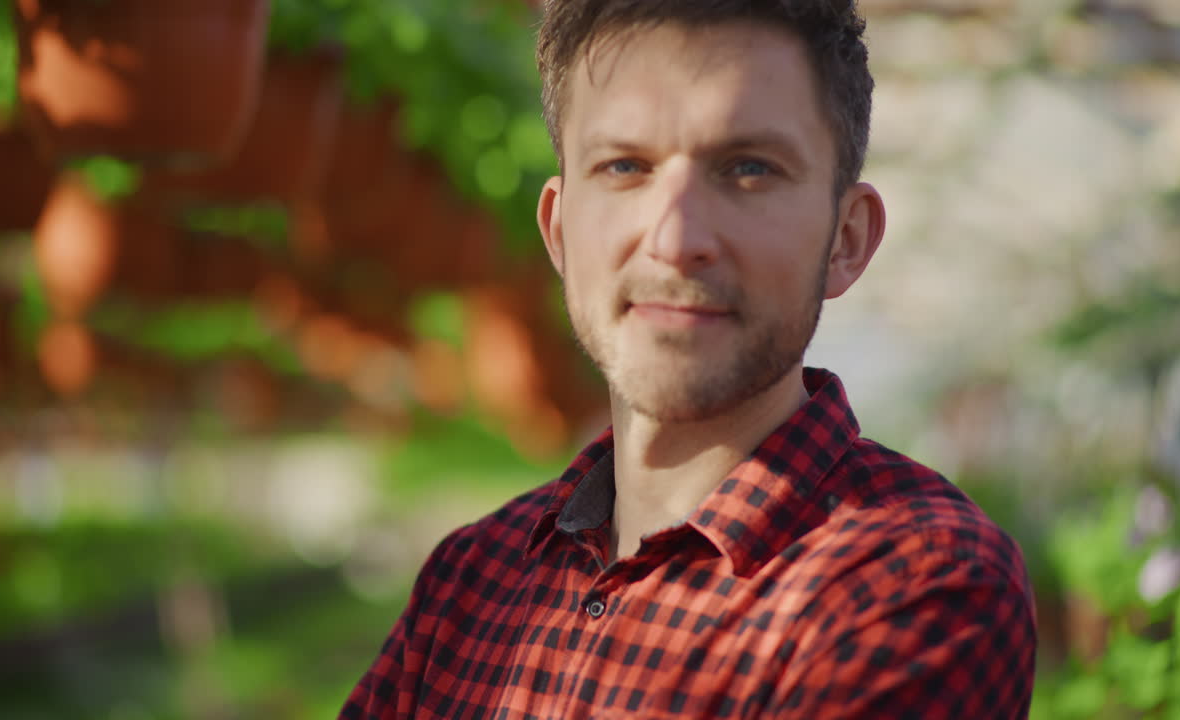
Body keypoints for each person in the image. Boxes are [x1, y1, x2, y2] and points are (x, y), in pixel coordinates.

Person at [339, 1, 1036, 718]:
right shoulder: (468, 581)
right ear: (559, 231)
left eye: (749, 169)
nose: (674, 240)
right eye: (623, 166)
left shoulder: (915, 583)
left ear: (846, 239)